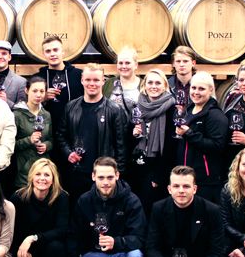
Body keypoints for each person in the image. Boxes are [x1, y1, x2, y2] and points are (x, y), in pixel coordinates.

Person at [61, 157, 146, 257]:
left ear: (117, 175)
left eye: (109, 177)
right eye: (101, 177)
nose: (105, 182)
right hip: (95, 254)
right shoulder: (85, 200)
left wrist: (117, 242)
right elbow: (73, 234)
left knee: (136, 256)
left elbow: (140, 237)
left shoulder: (131, 200)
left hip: (122, 253)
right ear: (93, 176)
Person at [55, 63, 127, 205]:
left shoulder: (114, 110)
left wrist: (118, 176)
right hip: (77, 173)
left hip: (103, 176)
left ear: (103, 81)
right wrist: (68, 153)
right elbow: (60, 135)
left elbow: (121, 146)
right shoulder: (71, 107)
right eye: (88, 80)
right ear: (82, 80)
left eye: (96, 80)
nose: (91, 83)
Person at [9, 158, 68, 257]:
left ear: (53, 178)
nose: (42, 178)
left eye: (47, 175)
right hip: (26, 248)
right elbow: (11, 230)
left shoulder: (61, 197)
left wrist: (33, 238)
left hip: (49, 247)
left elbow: (62, 230)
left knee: (57, 247)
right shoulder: (19, 197)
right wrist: (20, 249)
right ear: (31, 177)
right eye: (38, 174)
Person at [174, 72, 229, 204]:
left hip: (206, 181)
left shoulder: (215, 116)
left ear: (211, 90)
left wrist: (189, 134)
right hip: (186, 177)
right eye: (193, 88)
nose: (196, 92)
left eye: (201, 89)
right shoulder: (189, 109)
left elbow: (217, 146)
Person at [131, 69, 177, 214]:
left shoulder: (171, 109)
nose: (154, 86)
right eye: (150, 82)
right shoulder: (138, 107)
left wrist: (159, 176)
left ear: (165, 86)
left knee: (152, 209)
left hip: (157, 167)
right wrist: (133, 134)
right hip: (138, 166)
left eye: (158, 83)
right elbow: (128, 140)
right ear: (144, 85)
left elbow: (172, 147)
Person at [12, 76, 52, 190]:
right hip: (24, 170)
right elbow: (10, 145)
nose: (38, 95)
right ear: (26, 90)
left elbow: (51, 140)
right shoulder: (17, 115)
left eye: (42, 91)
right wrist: (29, 140)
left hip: (43, 169)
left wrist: (47, 146)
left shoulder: (46, 115)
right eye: (34, 91)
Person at [36, 35, 84, 130]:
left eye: (55, 50)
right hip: (48, 131)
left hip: (75, 129)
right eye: (48, 51)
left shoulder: (79, 75)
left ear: (62, 52)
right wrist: (43, 97)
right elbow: (30, 106)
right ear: (44, 54)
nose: (52, 54)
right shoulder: (38, 78)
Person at [104, 46, 142, 117]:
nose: (123, 66)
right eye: (120, 63)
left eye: (127, 63)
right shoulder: (108, 84)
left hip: (136, 127)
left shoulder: (144, 85)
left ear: (136, 65)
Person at [0, 40, 27, 107]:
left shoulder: (21, 82)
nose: (0, 57)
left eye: (4, 54)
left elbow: (23, 111)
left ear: (9, 57)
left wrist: (7, 102)